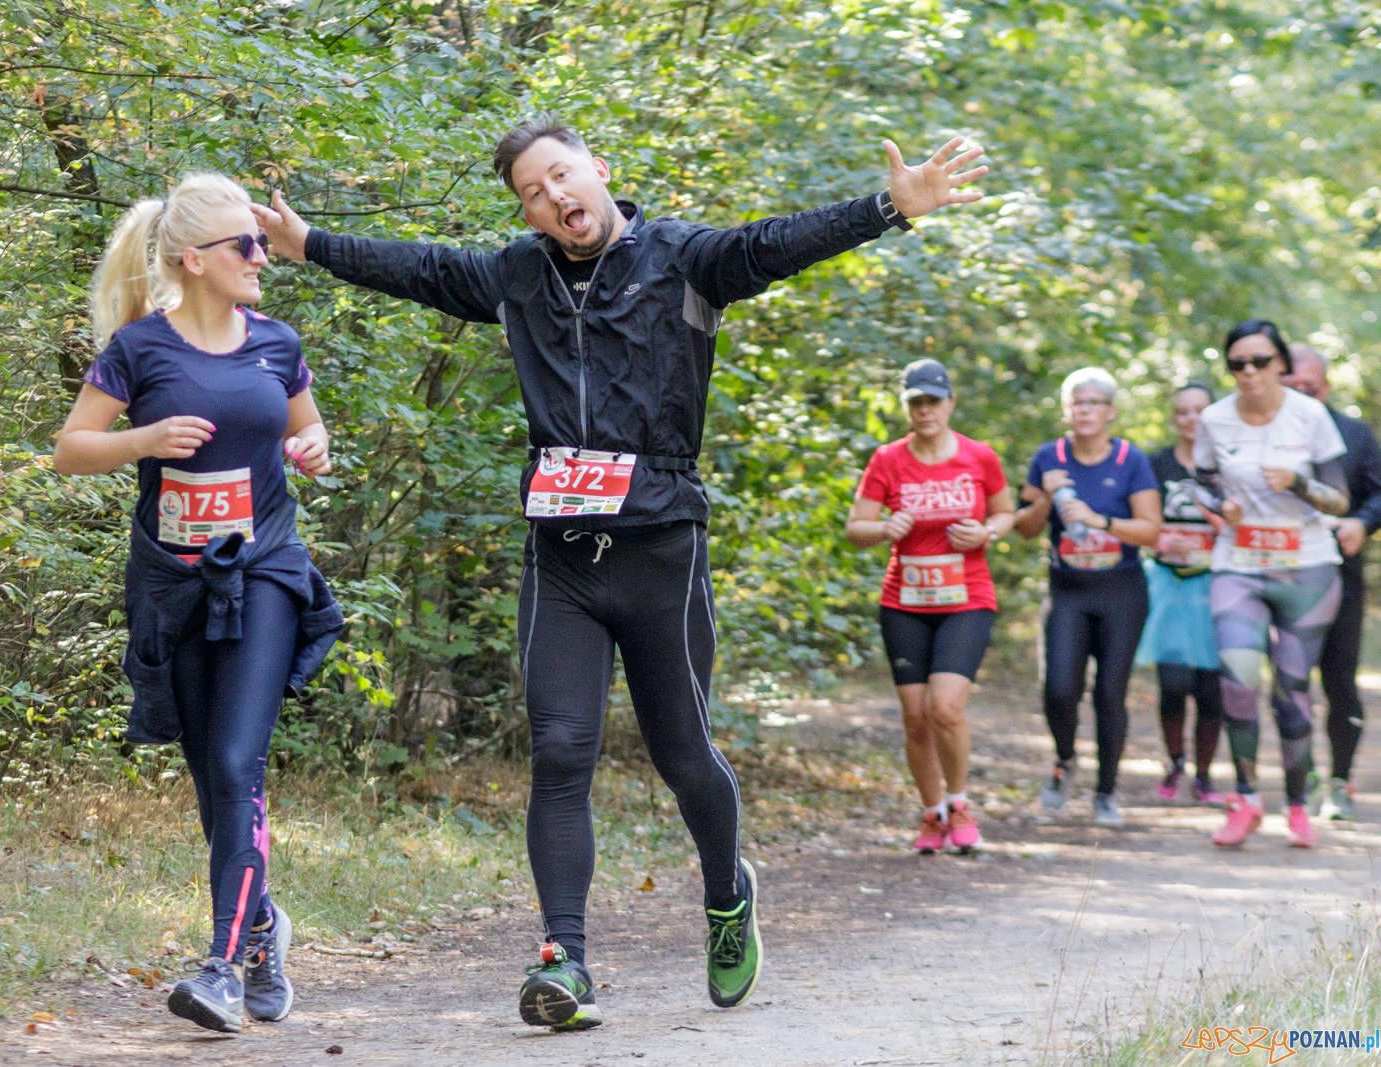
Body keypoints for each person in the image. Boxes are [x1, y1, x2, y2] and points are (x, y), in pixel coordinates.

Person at [252, 116, 986, 1029]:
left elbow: (779, 243)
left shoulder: (684, 260)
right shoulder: (517, 276)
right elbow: (424, 268)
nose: (555, 199)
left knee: (683, 755)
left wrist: (891, 207)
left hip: (658, 548)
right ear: (526, 210)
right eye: (532, 191)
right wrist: (310, 243)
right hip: (561, 552)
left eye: (562, 176)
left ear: (599, 172)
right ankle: (565, 960)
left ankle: (726, 893)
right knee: (560, 751)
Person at [53, 173, 344, 1032]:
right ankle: (262, 930)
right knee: (210, 780)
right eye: (245, 246)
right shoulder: (140, 351)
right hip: (174, 584)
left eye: (262, 243)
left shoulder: (277, 343)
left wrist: (314, 445)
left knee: (235, 766)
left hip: (265, 572)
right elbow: (72, 449)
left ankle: (220, 966)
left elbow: (306, 429)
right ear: (195, 259)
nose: (263, 257)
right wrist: (143, 439)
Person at [1192, 319, 1348, 848]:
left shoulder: (1311, 416)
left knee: (1292, 691)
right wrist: (1220, 505)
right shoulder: (1215, 419)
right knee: (1236, 680)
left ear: (1281, 363)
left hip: (1307, 566)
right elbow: (1204, 485)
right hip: (1239, 563)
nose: (1250, 372)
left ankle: (1299, 805)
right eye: (1238, 363)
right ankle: (1246, 800)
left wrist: (1299, 483)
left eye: (1260, 361)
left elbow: (1340, 500)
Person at [847, 360, 1013, 855]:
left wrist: (987, 532)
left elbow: (1006, 512)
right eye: (916, 402)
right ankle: (931, 813)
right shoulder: (888, 459)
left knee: (945, 706)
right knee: (916, 717)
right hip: (905, 601)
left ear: (950, 403)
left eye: (933, 401)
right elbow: (857, 528)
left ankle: (960, 804)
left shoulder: (979, 457)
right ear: (906, 406)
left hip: (968, 598)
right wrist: (884, 529)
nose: (925, 410)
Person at [1016, 368, 1161, 828]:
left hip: (1121, 590)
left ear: (1111, 411)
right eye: (1077, 403)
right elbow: (1025, 529)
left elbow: (1152, 531)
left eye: (1094, 402)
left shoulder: (1131, 460)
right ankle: (1063, 763)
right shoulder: (1048, 457)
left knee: (1109, 694)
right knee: (1059, 689)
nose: (1085, 410)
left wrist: (1101, 521)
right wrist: (1046, 499)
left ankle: (1106, 791)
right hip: (1068, 591)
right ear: (1066, 410)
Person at [1281, 342, 1381, 820]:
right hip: (1278, 574)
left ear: (1325, 385)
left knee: (1339, 680)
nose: (1302, 393)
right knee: (1287, 681)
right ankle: (1305, 782)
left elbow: (1379, 496)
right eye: (1293, 385)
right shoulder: (1263, 430)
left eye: (1310, 386)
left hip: (1340, 576)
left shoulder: (1354, 434)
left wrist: (1361, 522)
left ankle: (1340, 781)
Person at [1135, 383, 1225, 805]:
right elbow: (1136, 521)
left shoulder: (1228, 464)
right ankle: (1174, 763)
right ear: (1174, 418)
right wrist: (1157, 539)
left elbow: (1247, 524)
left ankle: (1204, 776)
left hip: (1217, 585)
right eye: (1183, 412)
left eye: (1200, 411)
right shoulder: (1156, 464)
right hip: (1168, 584)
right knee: (1172, 682)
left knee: (1211, 687)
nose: (1192, 420)